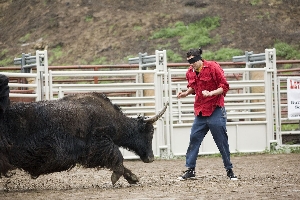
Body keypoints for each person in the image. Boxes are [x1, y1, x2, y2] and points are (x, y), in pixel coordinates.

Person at [177, 48, 237, 180]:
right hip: (200, 111)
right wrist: (185, 93)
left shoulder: (213, 67)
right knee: (194, 138)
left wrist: (211, 93)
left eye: (192, 61)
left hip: (215, 109)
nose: (191, 64)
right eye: (188, 61)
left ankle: (229, 170)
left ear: (199, 59)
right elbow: (193, 87)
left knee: (221, 141)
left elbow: (224, 86)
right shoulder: (190, 72)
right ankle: (190, 169)